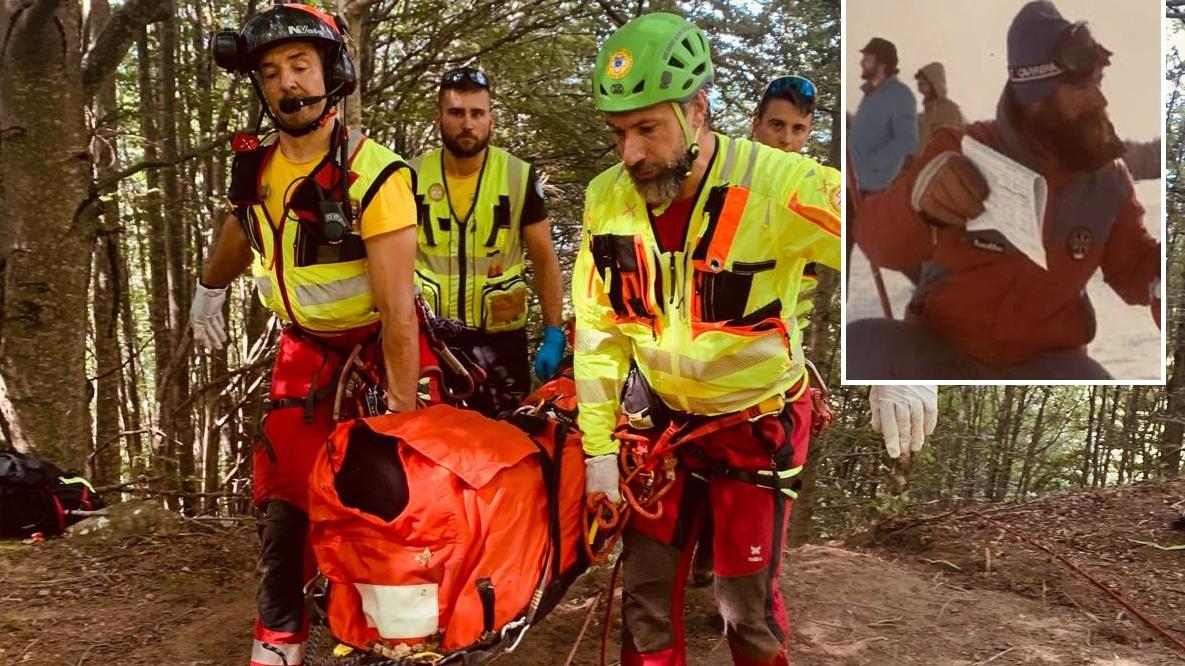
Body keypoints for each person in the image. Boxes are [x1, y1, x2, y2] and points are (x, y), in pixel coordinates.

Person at [575, 13, 936, 665]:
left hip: (755, 426)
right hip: (660, 424)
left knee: (745, 610)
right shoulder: (607, 198)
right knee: (645, 602)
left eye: (647, 129)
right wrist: (598, 447)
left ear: (697, 111)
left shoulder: (779, 183)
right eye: (618, 132)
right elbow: (600, 329)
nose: (630, 153)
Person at [190, 5, 419, 664]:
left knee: (384, 499)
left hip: (379, 352)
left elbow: (398, 309)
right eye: (271, 72)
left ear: (331, 71)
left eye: (299, 66)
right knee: (283, 500)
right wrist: (209, 287)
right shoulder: (257, 168)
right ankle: (279, 639)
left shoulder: (375, 175)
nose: (287, 84)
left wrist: (402, 413)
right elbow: (243, 228)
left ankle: (393, 640)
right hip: (303, 353)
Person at [847, 0, 1161, 380]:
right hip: (941, 345)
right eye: (1081, 85)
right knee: (860, 348)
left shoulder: (1109, 181)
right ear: (1036, 95)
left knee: (1092, 379)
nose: (1100, 98)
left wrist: (1163, 278)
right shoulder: (963, 148)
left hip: (1048, 361)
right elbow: (879, 241)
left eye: (1097, 82)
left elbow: (1135, 266)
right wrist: (918, 203)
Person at [411, 67, 565, 416]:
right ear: (438, 118)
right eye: (456, 113)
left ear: (491, 120)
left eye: (477, 114)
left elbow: (544, 258)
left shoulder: (518, 176)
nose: (467, 123)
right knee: (432, 447)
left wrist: (553, 331)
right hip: (431, 342)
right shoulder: (410, 176)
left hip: (500, 345)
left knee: (506, 447)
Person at [848, 37, 919, 279]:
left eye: (867, 58)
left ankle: (930, 290)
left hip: (874, 189)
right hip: (853, 185)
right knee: (843, 248)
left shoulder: (900, 95)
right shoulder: (871, 94)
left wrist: (872, 164)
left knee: (893, 248)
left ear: (882, 63)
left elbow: (907, 140)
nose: (862, 62)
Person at [915, 62, 966, 146]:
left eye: (923, 85)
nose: (920, 90)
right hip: (924, 159)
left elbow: (953, 144)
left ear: (934, 84)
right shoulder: (921, 118)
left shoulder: (951, 112)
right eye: (919, 85)